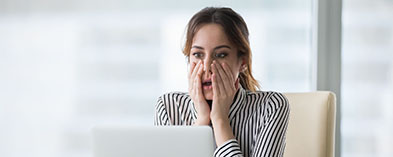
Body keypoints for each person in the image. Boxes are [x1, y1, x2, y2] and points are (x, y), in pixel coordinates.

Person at [154, 7, 290, 157]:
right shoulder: (169, 107)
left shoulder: (271, 106)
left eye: (221, 55)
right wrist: (201, 121)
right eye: (198, 54)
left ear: (242, 62)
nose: (207, 67)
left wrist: (220, 120)